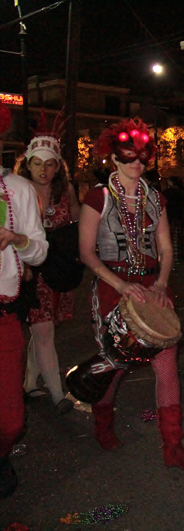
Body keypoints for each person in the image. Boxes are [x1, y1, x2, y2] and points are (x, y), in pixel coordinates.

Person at [79, 118, 184, 469]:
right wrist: (120, 286)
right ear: (113, 157)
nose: (136, 162)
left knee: (167, 370)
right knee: (116, 365)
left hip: (152, 289)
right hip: (113, 288)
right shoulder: (97, 197)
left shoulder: (155, 198)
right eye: (128, 155)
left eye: (142, 156)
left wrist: (161, 284)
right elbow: (87, 252)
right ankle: (103, 422)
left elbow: (165, 247)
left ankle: (173, 446)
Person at [15, 115, 80, 413]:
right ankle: (57, 394)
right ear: (27, 164)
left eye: (50, 163)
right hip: (29, 272)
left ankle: (29, 383)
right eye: (37, 163)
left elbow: (79, 224)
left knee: (43, 328)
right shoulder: (16, 192)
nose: (43, 170)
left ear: (58, 166)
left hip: (58, 269)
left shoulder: (65, 192)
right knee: (43, 332)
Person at [0, 102, 49, 498]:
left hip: (4, 313)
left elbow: (39, 252)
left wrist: (17, 239)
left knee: (11, 422)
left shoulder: (16, 189)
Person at [162, 176, 184, 262]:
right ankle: (179, 255)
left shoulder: (169, 192)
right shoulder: (181, 191)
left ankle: (174, 256)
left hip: (172, 216)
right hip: (179, 216)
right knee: (178, 236)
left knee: (172, 237)